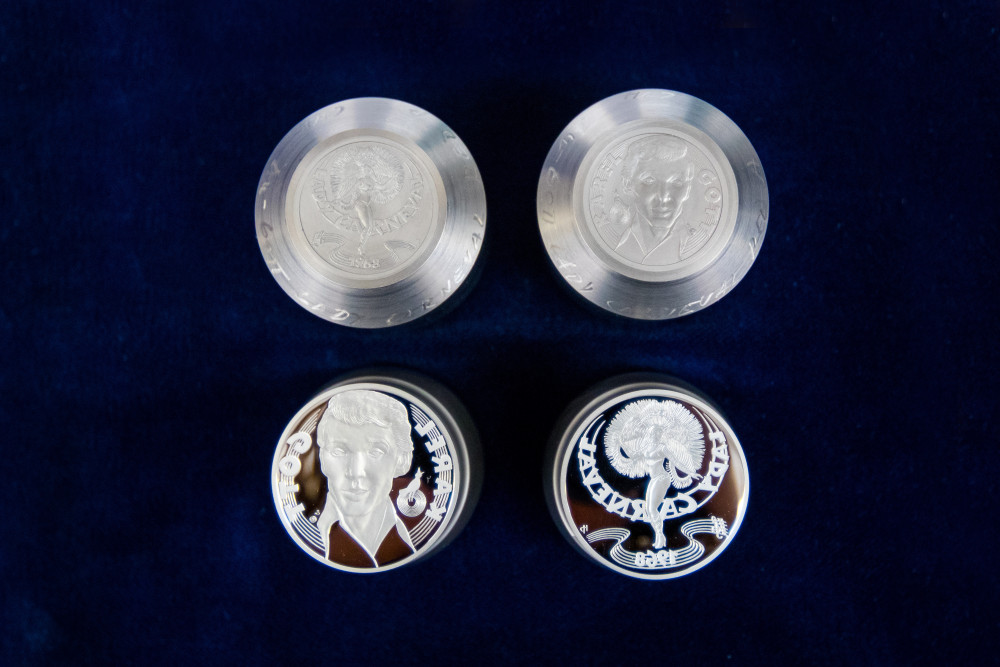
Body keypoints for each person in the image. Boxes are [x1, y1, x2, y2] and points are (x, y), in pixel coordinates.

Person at [315, 389, 415, 567]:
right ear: (322, 459)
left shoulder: (407, 539)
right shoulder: (315, 537)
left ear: (403, 460)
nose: (355, 472)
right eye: (339, 451)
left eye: (376, 451)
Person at [609, 135, 695, 265]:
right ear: (627, 184)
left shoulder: (695, 244)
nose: (663, 196)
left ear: (688, 189)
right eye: (649, 180)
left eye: (677, 182)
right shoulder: (620, 246)